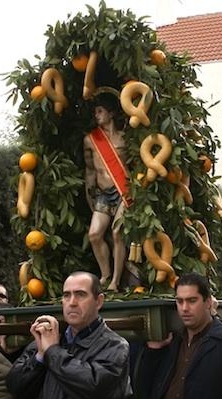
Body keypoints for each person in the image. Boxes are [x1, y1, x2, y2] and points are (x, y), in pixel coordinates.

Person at [7, 271, 132, 399]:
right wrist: (39, 357)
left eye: (80, 295)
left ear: (99, 302)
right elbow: (15, 388)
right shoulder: (46, 341)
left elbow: (94, 388)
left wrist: (52, 351)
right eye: (67, 295)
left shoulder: (115, 346)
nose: (72, 302)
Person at [136, 273, 222, 399]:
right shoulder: (172, 340)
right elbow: (146, 388)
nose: (185, 308)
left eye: (192, 301)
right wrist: (154, 351)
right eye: (180, 301)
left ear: (208, 302)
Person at [83, 93, 130, 291]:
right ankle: (105, 274)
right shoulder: (90, 140)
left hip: (122, 191)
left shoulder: (124, 139)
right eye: (95, 112)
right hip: (103, 193)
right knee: (94, 234)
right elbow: (90, 169)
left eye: (100, 111)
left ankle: (115, 282)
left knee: (117, 232)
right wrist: (89, 193)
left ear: (111, 113)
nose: (97, 115)